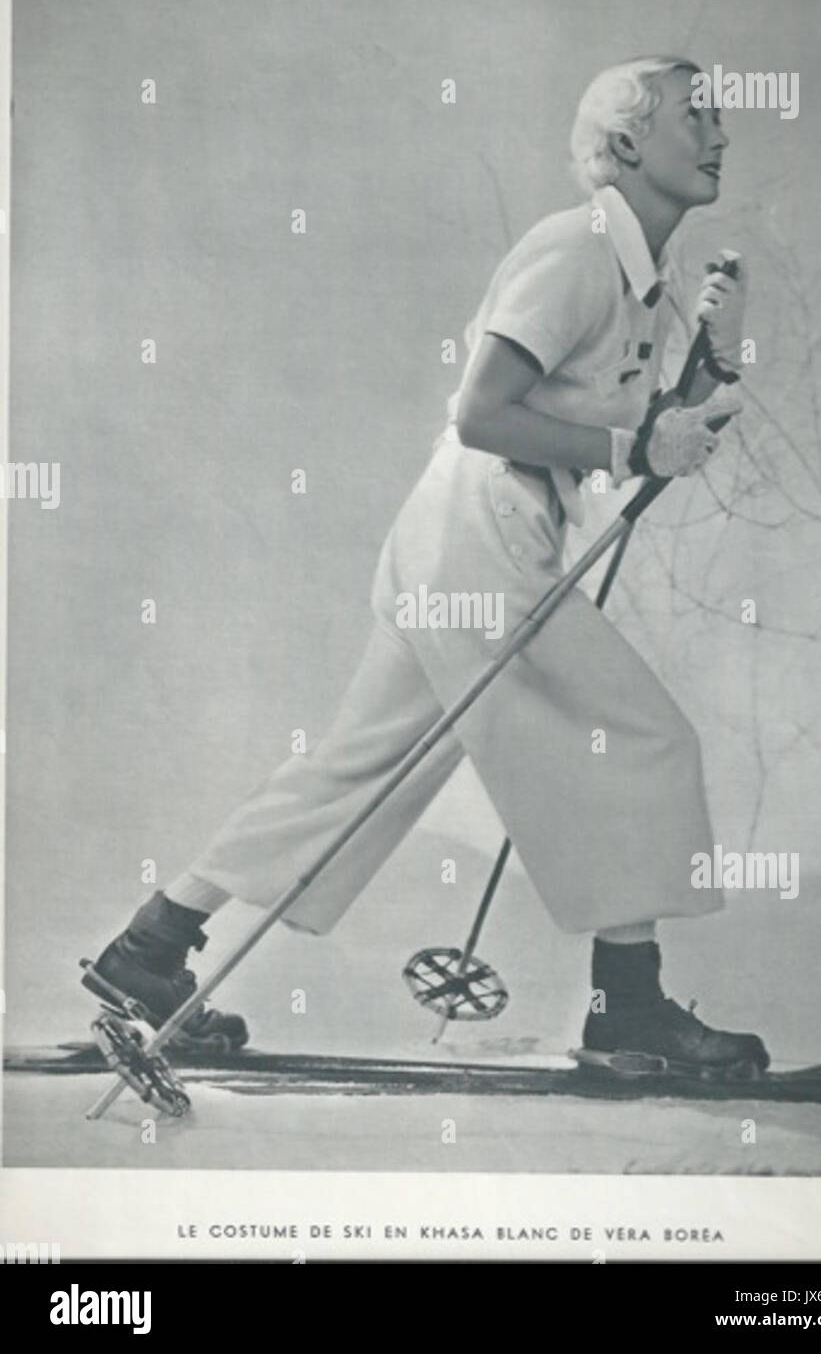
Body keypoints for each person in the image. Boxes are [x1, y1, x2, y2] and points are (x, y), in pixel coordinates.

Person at [87, 55, 768, 1077]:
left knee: (357, 763)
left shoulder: (640, 278)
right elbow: (484, 412)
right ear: (628, 145)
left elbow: (656, 436)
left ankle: (149, 948)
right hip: (478, 532)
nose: (720, 132)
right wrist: (635, 449)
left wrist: (716, 357)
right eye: (695, 115)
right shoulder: (576, 250)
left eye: (718, 115)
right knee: (644, 737)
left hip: (468, 534)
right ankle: (626, 1009)